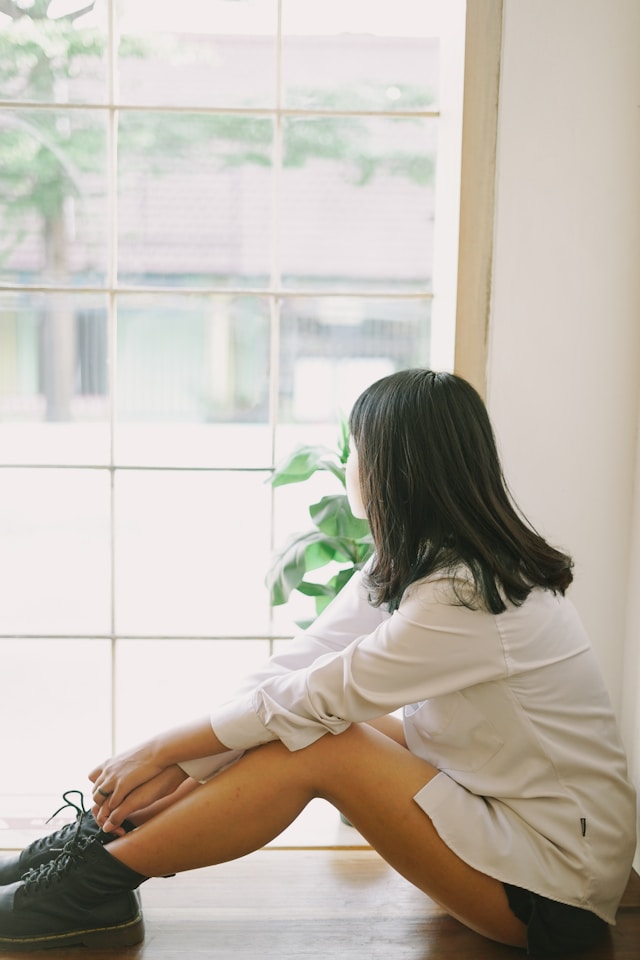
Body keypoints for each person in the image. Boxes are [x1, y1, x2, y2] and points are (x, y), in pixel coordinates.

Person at [0, 368, 636, 957]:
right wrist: (174, 764)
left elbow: (314, 700)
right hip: (498, 819)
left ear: (393, 470)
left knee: (321, 742)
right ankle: (103, 842)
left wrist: (162, 750)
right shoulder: (424, 561)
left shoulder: (467, 596)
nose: (349, 465)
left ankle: (89, 888)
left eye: (357, 449)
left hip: (554, 890)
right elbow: (291, 670)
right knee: (293, 719)